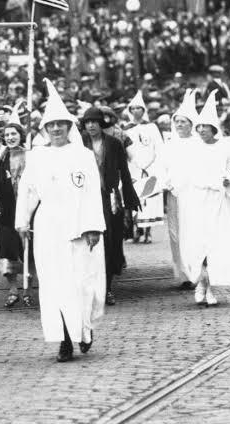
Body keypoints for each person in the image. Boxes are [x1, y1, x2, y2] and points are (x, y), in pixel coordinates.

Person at [15, 79, 106, 363]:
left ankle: (85, 328)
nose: (55, 129)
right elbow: (27, 190)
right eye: (50, 125)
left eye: (60, 124)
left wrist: (92, 226)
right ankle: (64, 339)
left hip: (79, 225)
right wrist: (23, 220)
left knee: (81, 282)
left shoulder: (83, 155)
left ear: (69, 127)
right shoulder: (37, 155)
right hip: (48, 226)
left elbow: (92, 192)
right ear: (45, 129)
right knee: (54, 283)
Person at [177, 91, 230, 306]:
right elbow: (186, 175)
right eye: (199, 126)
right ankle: (201, 282)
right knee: (199, 245)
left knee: (216, 245)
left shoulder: (226, 146)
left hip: (219, 202)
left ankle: (210, 286)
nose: (202, 130)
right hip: (198, 201)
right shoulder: (192, 148)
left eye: (206, 126)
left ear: (214, 127)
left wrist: (228, 180)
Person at [82, 107, 140, 306]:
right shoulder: (79, 145)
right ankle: (89, 289)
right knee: (88, 244)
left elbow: (124, 171)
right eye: (87, 122)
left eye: (94, 122)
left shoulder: (114, 144)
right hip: (86, 199)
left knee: (110, 243)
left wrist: (130, 197)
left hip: (111, 199)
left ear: (101, 124)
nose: (91, 126)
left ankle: (106, 289)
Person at [0, 108, 33, 307]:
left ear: (20, 135)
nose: (10, 137)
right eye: (6, 135)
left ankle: (28, 290)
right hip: (6, 212)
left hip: (28, 212)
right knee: (8, 251)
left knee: (28, 250)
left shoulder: (31, 156)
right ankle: (13, 289)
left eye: (13, 134)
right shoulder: (0, 159)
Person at [163, 89, 199, 289]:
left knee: (192, 231)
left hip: (193, 195)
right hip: (174, 195)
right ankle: (183, 273)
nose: (179, 125)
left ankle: (196, 272)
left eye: (183, 121)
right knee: (176, 234)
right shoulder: (170, 143)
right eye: (177, 121)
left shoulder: (197, 144)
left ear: (191, 124)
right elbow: (162, 167)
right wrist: (165, 181)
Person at [124, 91, 165, 243]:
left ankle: (148, 232)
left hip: (150, 167)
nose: (136, 111)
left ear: (143, 110)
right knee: (136, 199)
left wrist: (155, 165)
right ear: (130, 111)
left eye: (139, 108)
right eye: (133, 108)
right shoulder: (126, 128)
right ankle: (137, 229)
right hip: (133, 167)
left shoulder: (152, 127)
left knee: (150, 199)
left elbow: (159, 147)